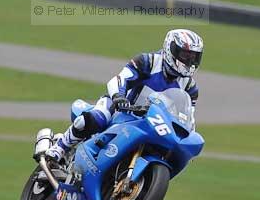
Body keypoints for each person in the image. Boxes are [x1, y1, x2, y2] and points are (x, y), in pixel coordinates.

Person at [46, 28, 203, 163]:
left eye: (193, 57)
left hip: (151, 122)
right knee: (95, 118)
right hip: (122, 108)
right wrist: (119, 97)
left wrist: (186, 141)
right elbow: (120, 78)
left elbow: (188, 118)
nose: (189, 61)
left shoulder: (190, 87)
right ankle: (60, 148)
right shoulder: (147, 61)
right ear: (171, 49)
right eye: (185, 55)